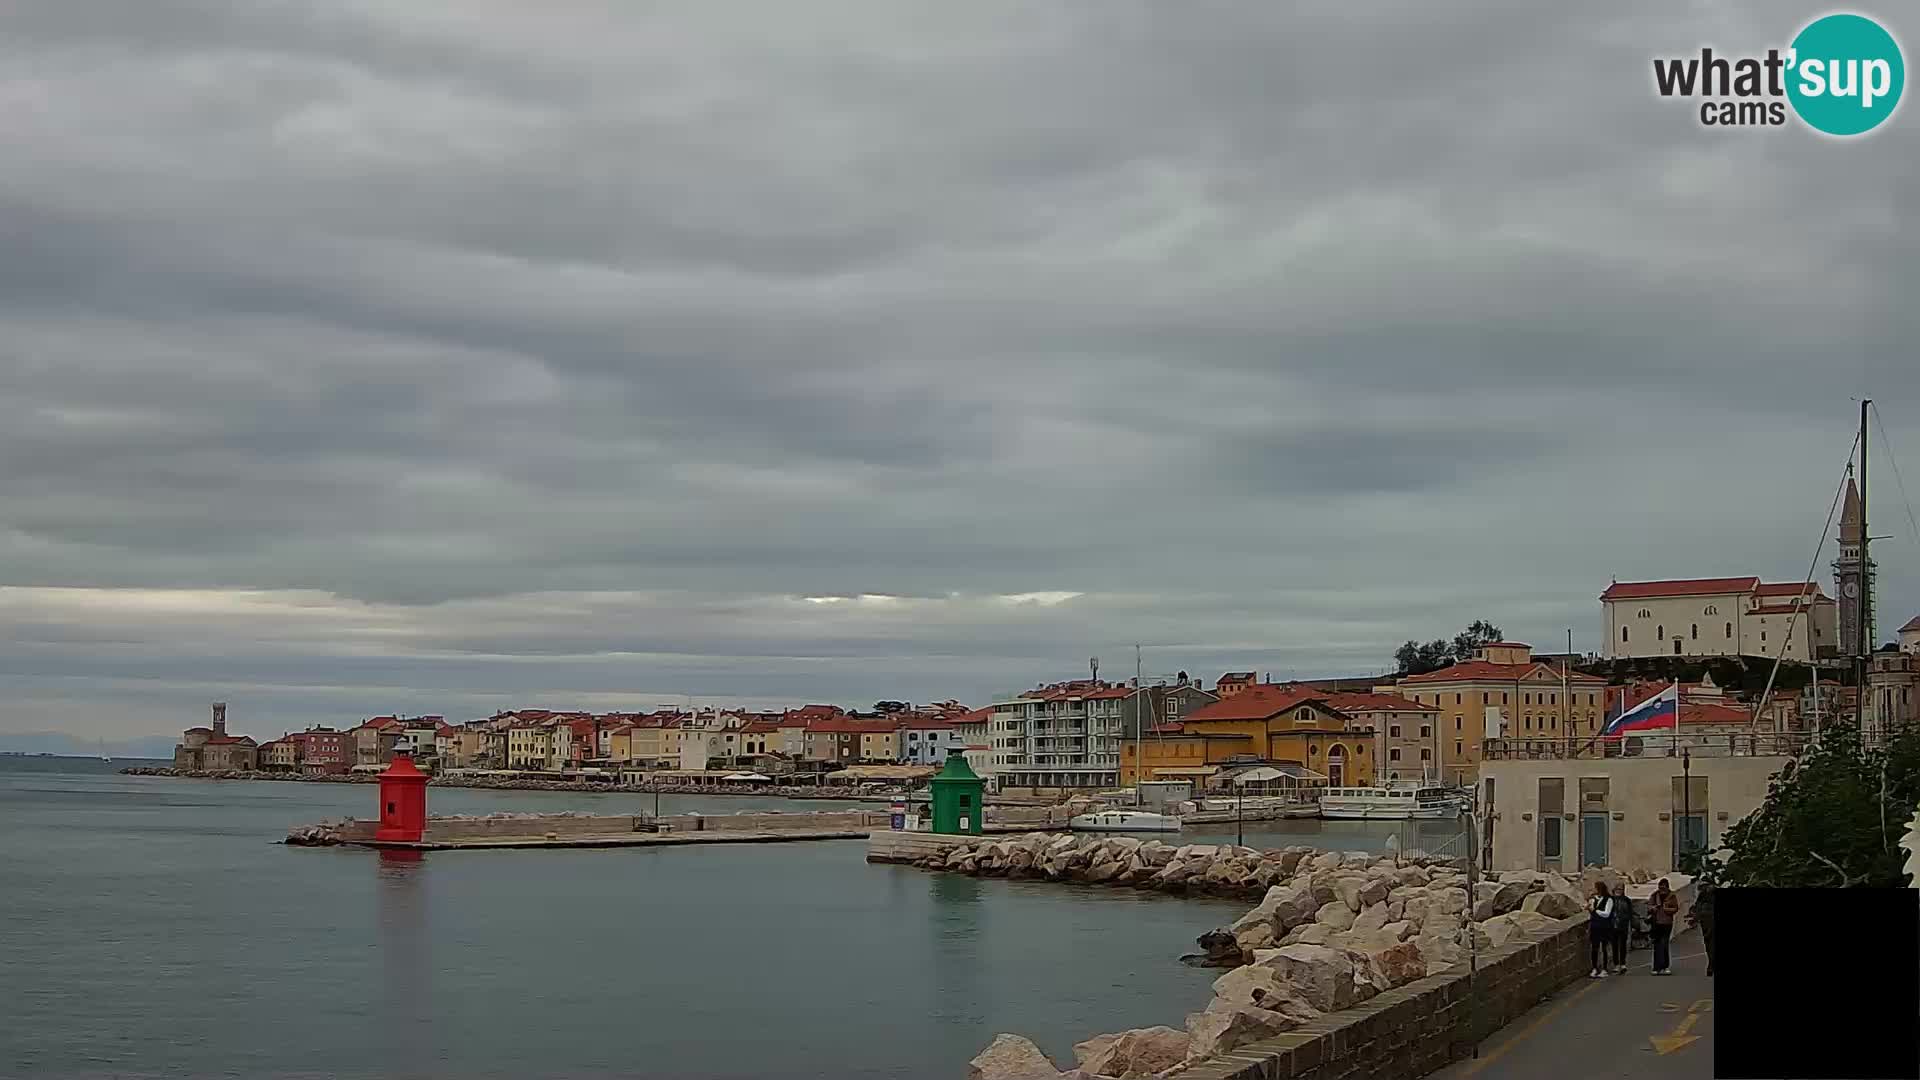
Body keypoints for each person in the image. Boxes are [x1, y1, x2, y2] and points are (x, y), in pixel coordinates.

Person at [1649, 878, 1680, 974]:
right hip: (1656, 922)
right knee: (1657, 945)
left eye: (1663, 887)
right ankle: (1656, 967)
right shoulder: (1654, 895)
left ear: (1667, 887)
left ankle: (1665, 966)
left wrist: (1666, 909)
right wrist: (1653, 908)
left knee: (1665, 944)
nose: (1662, 889)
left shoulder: (1672, 896)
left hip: (1667, 923)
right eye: (1660, 887)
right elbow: (1649, 906)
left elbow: (1675, 908)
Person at [1587, 881, 1616, 978]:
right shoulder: (1593, 899)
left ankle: (1604, 969)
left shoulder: (1609, 899)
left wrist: (1595, 910)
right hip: (1595, 926)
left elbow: (1606, 913)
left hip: (1605, 927)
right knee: (1594, 948)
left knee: (1604, 948)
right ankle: (1594, 968)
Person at [1687, 881, 1715, 976]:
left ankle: (1711, 964)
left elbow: (1698, 908)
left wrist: (1694, 918)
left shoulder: (1704, 896)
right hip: (1706, 922)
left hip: (1707, 921)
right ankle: (1711, 964)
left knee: (1709, 943)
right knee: (1709, 943)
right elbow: (1697, 908)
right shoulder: (1703, 896)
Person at [1610, 882, 1633, 973]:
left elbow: (1630, 912)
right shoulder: (1610, 900)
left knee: (1622, 945)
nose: (1619, 891)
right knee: (1614, 945)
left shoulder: (1627, 900)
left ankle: (1623, 963)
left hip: (1623, 925)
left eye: (1621, 889)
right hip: (1613, 926)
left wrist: (1629, 922)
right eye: (1618, 889)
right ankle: (1616, 964)